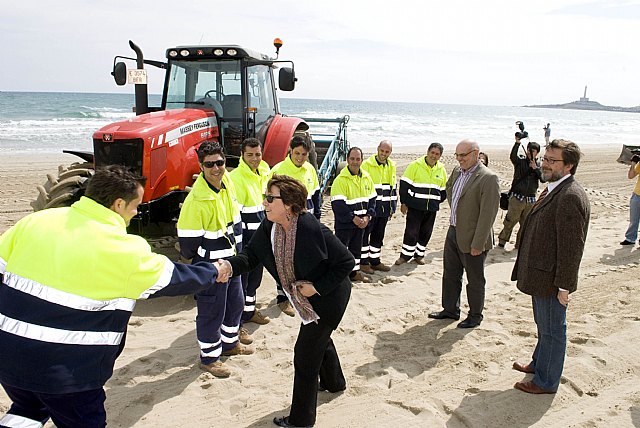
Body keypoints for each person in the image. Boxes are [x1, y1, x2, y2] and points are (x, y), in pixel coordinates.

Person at [0, 165, 226, 427]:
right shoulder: (123, 248)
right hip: (68, 373)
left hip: (8, 355)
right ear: (119, 204)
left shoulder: (36, 221)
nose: (136, 212)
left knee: (27, 409)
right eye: (136, 206)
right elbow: (173, 279)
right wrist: (213, 270)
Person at [219, 174, 354, 428]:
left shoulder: (313, 228)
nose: (265, 203)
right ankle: (335, 383)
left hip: (330, 297)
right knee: (319, 340)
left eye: (271, 198)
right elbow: (250, 257)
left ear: (290, 204)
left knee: (304, 354)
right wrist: (228, 265)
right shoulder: (270, 225)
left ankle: (301, 421)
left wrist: (317, 288)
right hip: (306, 298)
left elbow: (346, 262)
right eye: (265, 197)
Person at [511, 139, 590, 394]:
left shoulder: (569, 197)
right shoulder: (554, 188)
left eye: (551, 160)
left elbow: (571, 249)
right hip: (540, 275)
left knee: (554, 330)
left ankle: (546, 381)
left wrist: (565, 287)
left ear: (569, 166)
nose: (544, 164)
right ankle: (538, 364)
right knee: (543, 325)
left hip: (552, 280)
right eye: (545, 158)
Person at [177, 142, 252, 379]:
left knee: (235, 304)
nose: (216, 168)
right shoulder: (196, 200)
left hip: (232, 262)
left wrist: (236, 258)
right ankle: (209, 358)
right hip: (211, 268)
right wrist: (211, 265)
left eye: (219, 162)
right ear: (201, 166)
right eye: (209, 164)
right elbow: (188, 244)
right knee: (211, 312)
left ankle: (229, 344)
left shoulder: (227, 184)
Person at [428, 139, 500, 328]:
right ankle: (450, 310)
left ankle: (475, 315)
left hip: (474, 237)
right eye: (457, 155)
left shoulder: (488, 178)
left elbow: (488, 215)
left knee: (475, 279)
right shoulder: (457, 171)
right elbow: (450, 189)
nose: (459, 159)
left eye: (463, 155)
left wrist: (478, 243)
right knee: (450, 274)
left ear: (476, 153)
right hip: (453, 231)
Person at [270, 135, 322, 316]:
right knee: (283, 261)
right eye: (297, 153)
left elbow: (316, 195)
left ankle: (298, 292)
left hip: (305, 223)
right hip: (285, 224)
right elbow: (271, 200)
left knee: (300, 260)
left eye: (304, 154)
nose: (300, 157)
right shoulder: (279, 171)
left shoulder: (310, 170)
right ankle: (282, 298)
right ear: (290, 151)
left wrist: (317, 217)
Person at [229, 138, 271, 326]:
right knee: (244, 280)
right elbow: (235, 215)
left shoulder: (264, 172)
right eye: (250, 155)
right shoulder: (236, 178)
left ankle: (249, 311)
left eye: (258, 154)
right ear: (242, 155)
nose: (255, 159)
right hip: (246, 239)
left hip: (261, 237)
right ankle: (238, 320)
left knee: (255, 278)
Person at [395, 142, 447, 266]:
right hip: (415, 207)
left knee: (426, 233)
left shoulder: (441, 169)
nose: (434, 156)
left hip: (431, 209)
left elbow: (443, 190)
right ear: (427, 152)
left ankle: (419, 255)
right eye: (432, 152)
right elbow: (404, 185)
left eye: (437, 154)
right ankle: (405, 256)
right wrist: (404, 202)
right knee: (411, 232)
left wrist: (435, 201)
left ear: (440, 156)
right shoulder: (415, 166)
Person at [331, 147, 377, 282]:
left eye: (358, 159)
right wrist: (353, 218)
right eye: (352, 159)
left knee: (356, 250)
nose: (355, 162)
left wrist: (368, 217)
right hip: (345, 225)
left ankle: (354, 273)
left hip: (362, 224)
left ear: (362, 160)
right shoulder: (340, 180)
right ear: (347, 160)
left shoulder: (367, 178)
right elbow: (338, 205)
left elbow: (372, 200)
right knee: (342, 250)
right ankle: (341, 276)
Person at [497, 139, 544, 250]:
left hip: (530, 199)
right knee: (510, 220)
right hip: (517, 197)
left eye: (533, 151)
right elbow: (513, 156)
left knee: (526, 224)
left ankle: (520, 245)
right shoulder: (521, 162)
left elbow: (543, 178)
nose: (530, 152)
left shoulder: (539, 164)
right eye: (529, 150)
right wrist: (517, 143)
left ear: (537, 152)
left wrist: (535, 169)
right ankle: (502, 242)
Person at [360, 140, 397, 274]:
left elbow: (393, 187)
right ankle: (364, 263)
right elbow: (362, 188)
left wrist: (393, 207)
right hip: (371, 209)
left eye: (387, 152)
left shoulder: (391, 165)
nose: (384, 154)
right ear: (378, 149)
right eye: (382, 151)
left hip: (384, 210)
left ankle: (375, 262)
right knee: (364, 236)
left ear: (390, 153)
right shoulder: (366, 165)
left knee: (378, 236)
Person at [620, 153, 640, 246]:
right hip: (637, 194)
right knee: (633, 219)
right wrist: (633, 163)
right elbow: (631, 176)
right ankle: (630, 238)